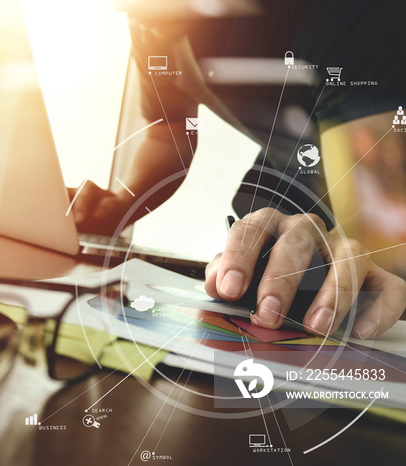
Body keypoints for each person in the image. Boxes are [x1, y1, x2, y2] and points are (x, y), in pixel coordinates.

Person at [70, 0, 406, 340]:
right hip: (290, 193)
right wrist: (120, 204)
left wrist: (371, 262)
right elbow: (168, 131)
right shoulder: (150, 21)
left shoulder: (349, 16)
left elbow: (384, 212)